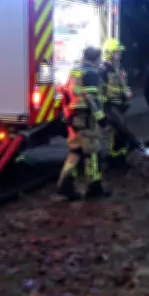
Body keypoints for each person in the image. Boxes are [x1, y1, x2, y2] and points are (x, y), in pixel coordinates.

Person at [57, 46, 111, 201]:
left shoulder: (75, 72)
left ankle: (65, 184)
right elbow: (91, 98)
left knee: (76, 152)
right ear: (96, 59)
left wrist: (68, 116)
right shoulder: (91, 73)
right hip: (87, 119)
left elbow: (66, 95)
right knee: (92, 152)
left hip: (74, 118)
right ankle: (95, 187)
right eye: (99, 59)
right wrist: (101, 119)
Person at [99, 38, 133, 170]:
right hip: (111, 107)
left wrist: (128, 94)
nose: (119, 54)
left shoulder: (119, 68)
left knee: (122, 135)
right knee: (116, 134)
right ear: (109, 53)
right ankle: (113, 161)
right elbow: (101, 90)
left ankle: (121, 160)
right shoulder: (104, 70)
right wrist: (105, 109)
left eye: (119, 52)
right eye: (117, 52)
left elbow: (124, 84)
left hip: (121, 106)